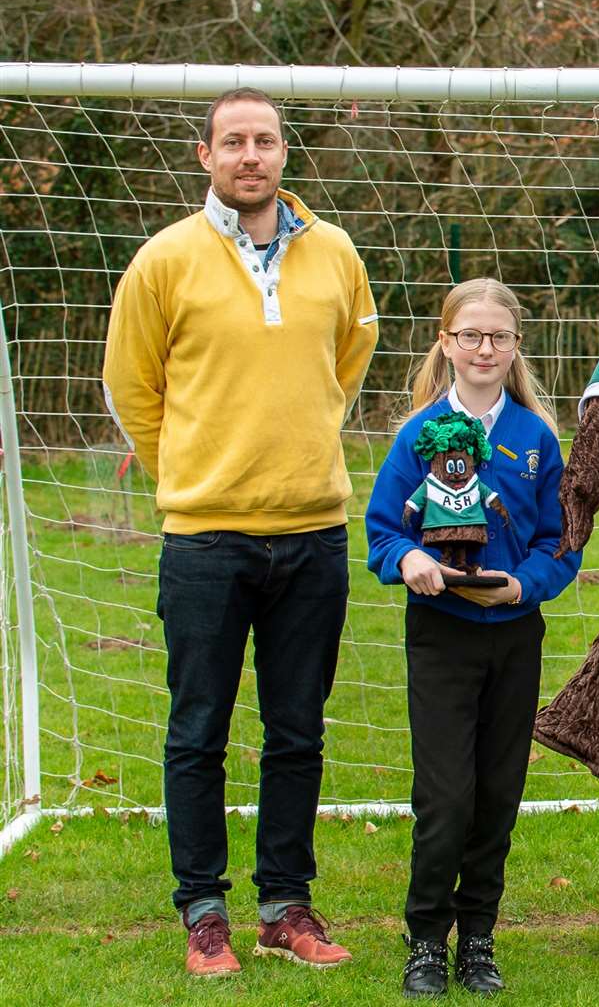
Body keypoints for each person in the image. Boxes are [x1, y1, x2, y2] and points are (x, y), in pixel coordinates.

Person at [102, 88, 379, 976]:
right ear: (205, 156)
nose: (249, 155)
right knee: (199, 731)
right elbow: (130, 388)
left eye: (264, 140)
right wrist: (190, 470)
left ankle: (286, 906)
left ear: (283, 153)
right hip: (205, 541)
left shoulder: (336, 253)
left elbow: (347, 362)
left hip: (312, 533)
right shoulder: (163, 261)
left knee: (297, 731)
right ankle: (204, 911)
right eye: (233, 142)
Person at [365, 277, 580, 998]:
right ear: (446, 343)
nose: (484, 349)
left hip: (514, 635)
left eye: (498, 337)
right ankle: (426, 938)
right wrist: (414, 560)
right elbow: (382, 532)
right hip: (442, 636)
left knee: (496, 795)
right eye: (470, 336)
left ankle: (478, 938)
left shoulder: (535, 438)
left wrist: (528, 583)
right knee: (446, 797)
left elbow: (560, 542)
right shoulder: (417, 434)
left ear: (516, 346)